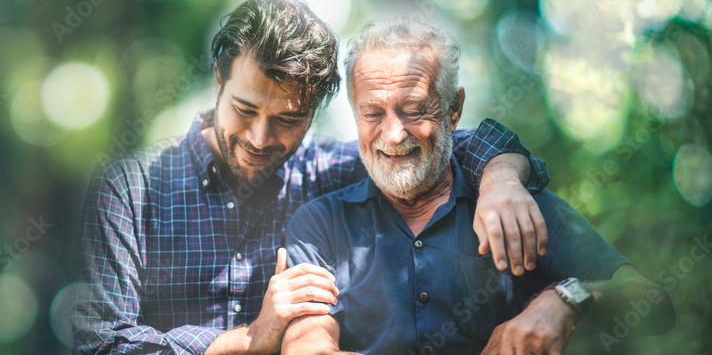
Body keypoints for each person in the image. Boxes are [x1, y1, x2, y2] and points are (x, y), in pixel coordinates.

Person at [73, 0, 551, 354]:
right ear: (219, 82)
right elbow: (100, 344)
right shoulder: (130, 190)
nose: (261, 138)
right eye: (244, 109)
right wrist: (246, 339)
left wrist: (502, 178)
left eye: (288, 120)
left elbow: (436, 143)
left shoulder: (328, 171)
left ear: (317, 113)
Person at [281, 18, 676, 355]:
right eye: (372, 113)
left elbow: (654, 303)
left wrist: (566, 297)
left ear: (454, 110)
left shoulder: (515, 205)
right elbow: (306, 344)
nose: (394, 133)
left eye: (415, 110)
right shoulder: (320, 223)